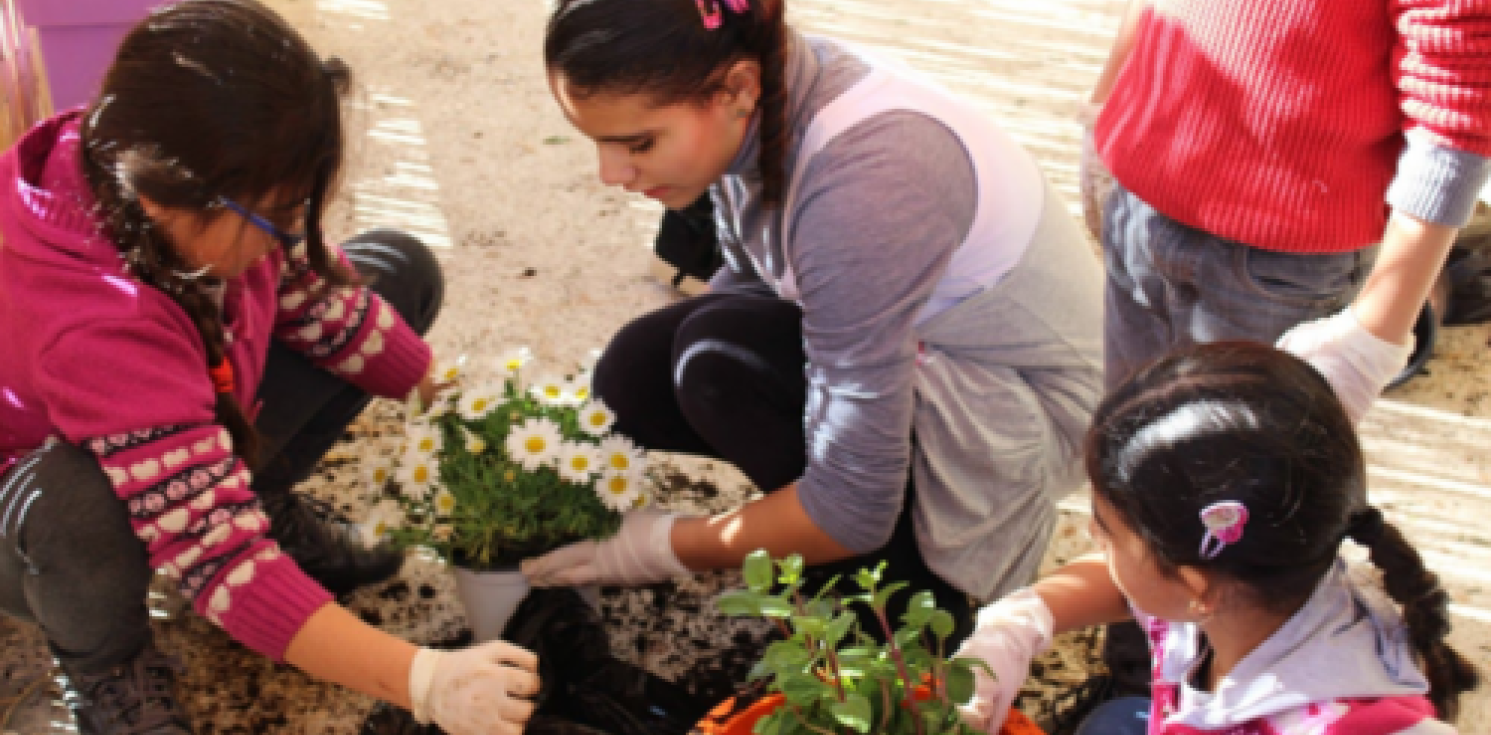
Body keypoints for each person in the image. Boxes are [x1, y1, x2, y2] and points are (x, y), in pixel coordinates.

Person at [0, 2, 537, 733]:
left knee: (397, 272)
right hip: (36, 523)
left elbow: (322, 302)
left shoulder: (156, 169)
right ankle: (107, 669)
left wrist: (447, 407)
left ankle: (259, 494)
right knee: (79, 502)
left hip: (181, 400)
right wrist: (424, 678)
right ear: (166, 196)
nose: (291, 235)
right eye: (280, 214)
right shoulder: (97, 324)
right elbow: (216, 554)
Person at [521, 0, 1105, 641]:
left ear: (737, 88)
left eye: (638, 143)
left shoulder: (867, 183)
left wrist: (667, 547)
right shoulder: (760, 96)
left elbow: (853, 507)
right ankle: (823, 542)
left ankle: (914, 609)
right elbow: (753, 280)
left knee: (718, 363)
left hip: (1026, 412)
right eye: (599, 143)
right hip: (920, 350)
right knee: (640, 371)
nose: (611, 174)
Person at [1083, 0, 1491, 700]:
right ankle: (1138, 684)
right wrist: (1104, 111)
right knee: (1136, 481)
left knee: (1237, 518)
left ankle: (1245, 701)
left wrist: (1377, 330)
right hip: (1142, 186)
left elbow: (1456, 92)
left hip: (1278, 255)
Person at [954, 341, 1482, 735]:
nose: (1093, 539)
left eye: (1107, 532)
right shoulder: (1260, 575)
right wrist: (1022, 620)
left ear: (1193, 585)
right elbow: (1138, 588)